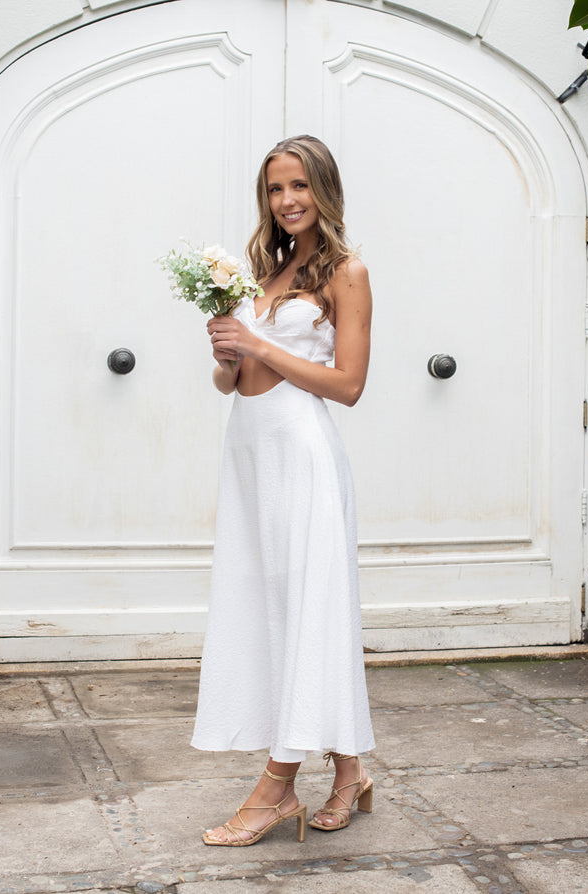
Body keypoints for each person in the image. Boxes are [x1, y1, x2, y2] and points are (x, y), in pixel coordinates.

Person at [191, 134, 375, 846]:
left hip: (302, 453)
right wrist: (227, 355)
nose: (287, 200)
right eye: (275, 189)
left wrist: (262, 345)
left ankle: (276, 788)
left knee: (309, 607)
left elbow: (350, 386)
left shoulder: (348, 272)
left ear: (322, 189)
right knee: (280, 611)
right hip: (250, 452)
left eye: (298, 186)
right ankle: (351, 771)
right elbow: (233, 382)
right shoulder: (266, 270)